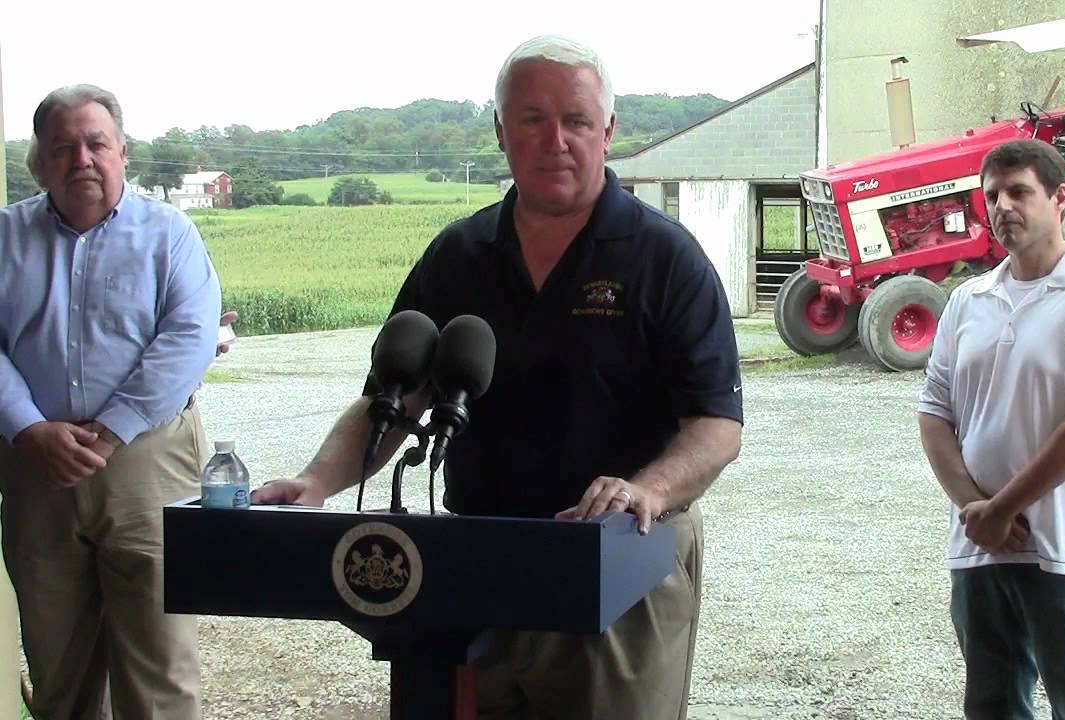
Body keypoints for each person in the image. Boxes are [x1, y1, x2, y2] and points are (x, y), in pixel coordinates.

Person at [254, 35, 743, 720]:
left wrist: (647, 487)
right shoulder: (458, 255)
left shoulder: (667, 260)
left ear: (608, 132)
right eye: (532, 119)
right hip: (475, 564)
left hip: (621, 569)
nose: (556, 139)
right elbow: (392, 398)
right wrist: (316, 481)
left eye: (576, 120)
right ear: (500, 131)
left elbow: (717, 427)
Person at [0, 84, 222, 720]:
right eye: (63, 147)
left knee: (159, 670)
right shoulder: (5, 237)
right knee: (57, 668)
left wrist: (114, 427)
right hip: (35, 468)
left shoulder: (170, 234)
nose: (82, 159)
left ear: (123, 153)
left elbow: (189, 337)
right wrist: (27, 428)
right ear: (38, 163)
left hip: (146, 468)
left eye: (97, 144)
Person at [917, 139, 1065, 719]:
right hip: (982, 546)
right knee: (991, 703)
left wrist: (1002, 508)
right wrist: (974, 509)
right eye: (992, 196)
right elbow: (934, 411)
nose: (1003, 206)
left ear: (1061, 197)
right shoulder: (968, 299)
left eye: (1019, 192)